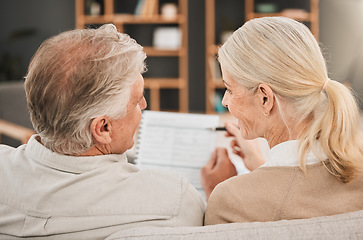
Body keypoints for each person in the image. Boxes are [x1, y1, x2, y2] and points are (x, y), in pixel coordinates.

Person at [0, 24, 205, 239]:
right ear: (103, 128)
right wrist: (215, 193)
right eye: (137, 100)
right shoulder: (173, 200)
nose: (144, 104)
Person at [201, 17, 363, 225]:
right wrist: (261, 166)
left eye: (230, 89)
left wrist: (217, 191)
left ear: (264, 98)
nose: (225, 101)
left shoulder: (231, 201)